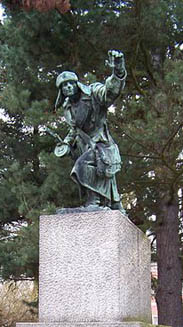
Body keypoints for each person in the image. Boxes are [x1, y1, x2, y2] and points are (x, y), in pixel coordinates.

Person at [54, 50, 126, 214]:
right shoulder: (68, 107)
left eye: (70, 83)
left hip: (101, 143)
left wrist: (118, 71)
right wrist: (65, 143)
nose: (68, 87)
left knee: (81, 166)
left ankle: (94, 202)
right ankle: (106, 203)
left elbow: (110, 93)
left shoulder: (93, 93)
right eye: (64, 86)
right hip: (84, 145)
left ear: (76, 83)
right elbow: (74, 129)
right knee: (96, 172)